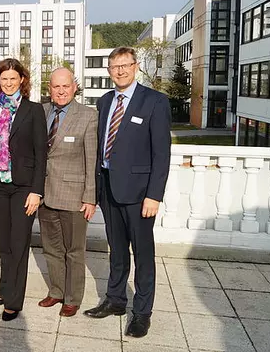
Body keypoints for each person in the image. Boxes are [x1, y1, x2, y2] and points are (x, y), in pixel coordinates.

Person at [83, 47, 171, 338]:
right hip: (108, 187)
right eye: (114, 66)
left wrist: (154, 195)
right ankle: (116, 300)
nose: (120, 71)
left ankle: (142, 313)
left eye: (125, 65)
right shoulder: (106, 101)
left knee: (143, 255)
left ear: (135, 67)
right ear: (108, 71)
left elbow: (162, 154)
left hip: (139, 193)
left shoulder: (155, 101)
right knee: (117, 251)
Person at [0, 58, 47, 321]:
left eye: (13, 79)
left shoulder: (33, 110)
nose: (8, 83)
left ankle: (14, 302)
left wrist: (36, 191)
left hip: (23, 188)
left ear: (22, 81)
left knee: (19, 244)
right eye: (3, 79)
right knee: (4, 244)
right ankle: (5, 290)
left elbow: (42, 154)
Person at [37, 67, 98, 317]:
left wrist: (90, 197)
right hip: (44, 194)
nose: (60, 91)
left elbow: (91, 159)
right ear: (49, 89)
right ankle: (56, 291)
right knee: (51, 248)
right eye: (55, 87)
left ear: (74, 87)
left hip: (74, 196)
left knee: (74, 251)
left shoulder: (88, 115)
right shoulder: (41, 112)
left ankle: (72, 298)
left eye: (65, 86)